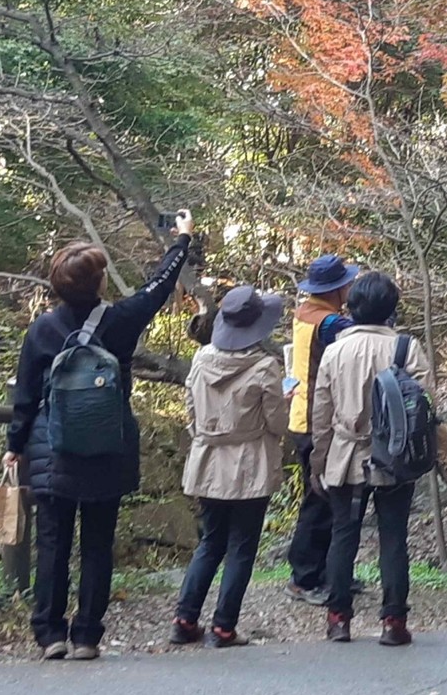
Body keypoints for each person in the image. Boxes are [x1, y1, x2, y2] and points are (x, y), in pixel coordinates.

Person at [5, 210, 195, 660]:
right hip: (110, 447)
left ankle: (50, 634)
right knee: (97, 543)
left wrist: (14, 446)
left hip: (53, 448)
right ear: (99, 283)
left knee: (51, 543)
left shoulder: (42, 329)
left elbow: (26, 396)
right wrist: (181, 240)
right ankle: (87, 635)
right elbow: (159, 286)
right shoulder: (121, 320)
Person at [311, 272, 432, 646]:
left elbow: (321, 413)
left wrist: (318, 462)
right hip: (394, 458)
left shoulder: (334, 351)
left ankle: (338, 619)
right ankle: (393, 622)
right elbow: (426, 406)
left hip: (345, 455)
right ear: (391, 309)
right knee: (394, 538)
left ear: (351, 308)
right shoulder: (406, 348)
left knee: (343, 537)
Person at [171, 285, 288, 648]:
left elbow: (192, 413)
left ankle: (184, 619)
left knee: (210, 541)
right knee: (241, 545)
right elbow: (278, 424)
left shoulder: (201, 360)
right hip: (250, 464)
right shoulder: (265, 366)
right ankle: (224, 627)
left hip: (208, 461)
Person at [284, 254, 360, 605]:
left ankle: (329, 571)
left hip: (303, 414)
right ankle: (303, 577)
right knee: (319, 500)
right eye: (346, 283)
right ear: (336, 288)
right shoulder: (328, 322)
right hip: (317, 420)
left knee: (326, 499)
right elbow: (355, 337)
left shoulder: (305, 312)